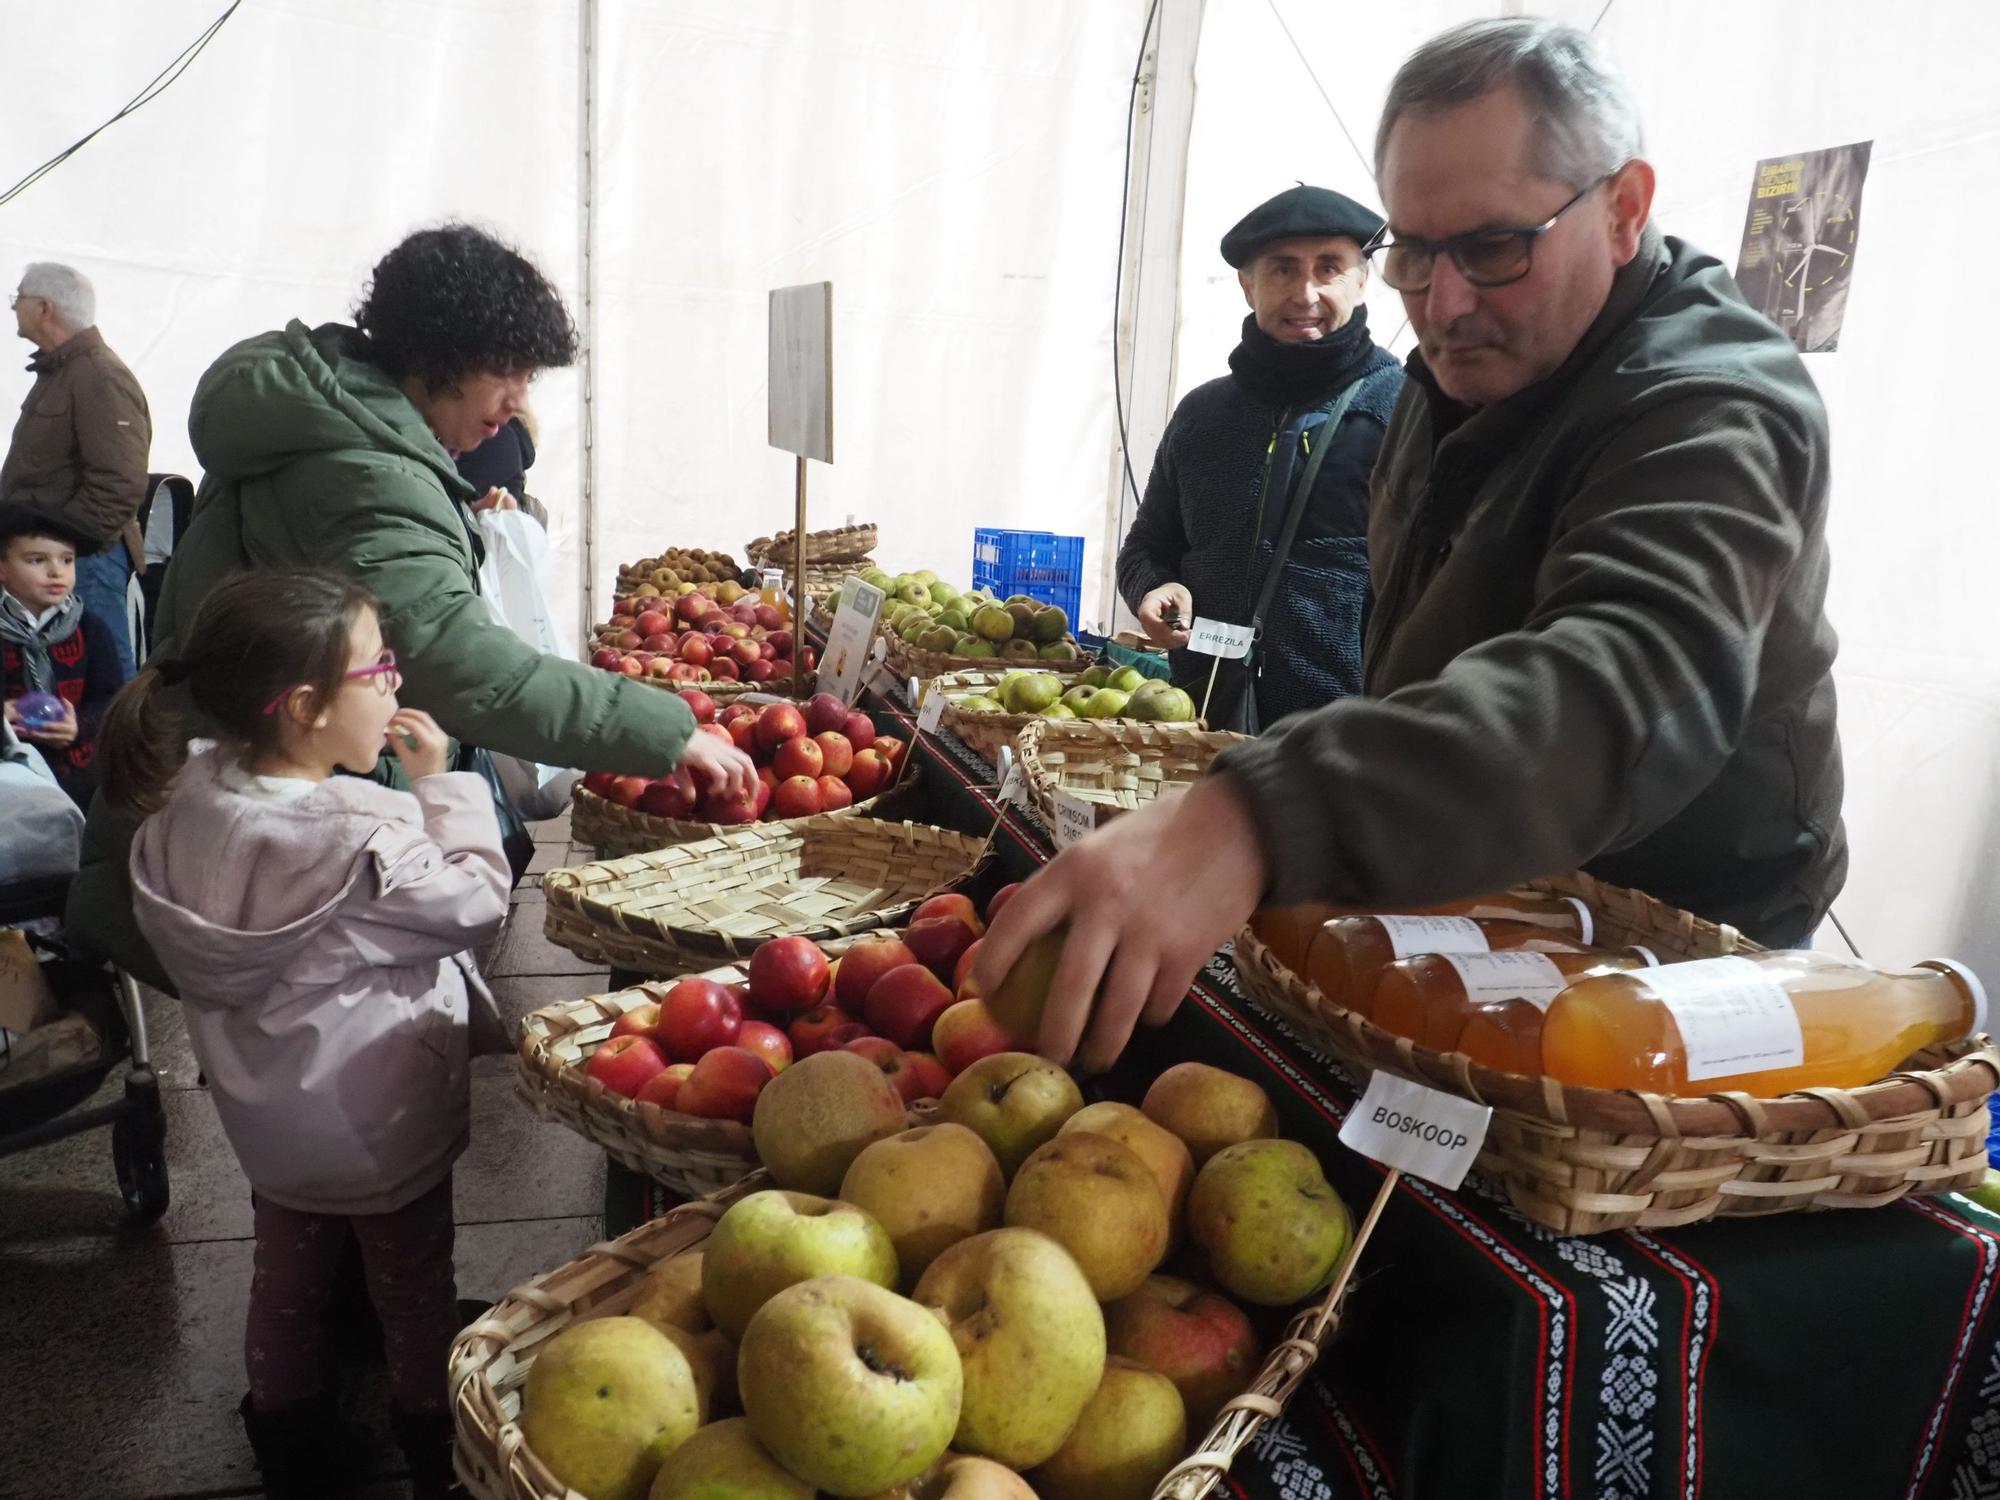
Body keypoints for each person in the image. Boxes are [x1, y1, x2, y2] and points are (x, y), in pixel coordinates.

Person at [977, 18, 1845, 1072]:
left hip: (1682, 933)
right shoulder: (1462, 365)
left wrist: (1259, 817)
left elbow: (1621, 684)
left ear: (1622, 209)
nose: (1442, 304)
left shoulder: (1712, 405)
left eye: (1492, 247)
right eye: (1414, 254)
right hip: (1474, 871)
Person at [68, 223, 753, 982]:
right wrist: (664, 730)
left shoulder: (318, 412)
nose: (517, 403)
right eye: (506, 373)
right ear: (440, 356)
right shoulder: (367, 474)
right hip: (279, 837)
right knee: (311, 1031)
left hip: (231, 797)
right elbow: (459, 664)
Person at [101, 568, 507, 1499]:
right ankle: (434, 1443)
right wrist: (443, 787)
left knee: (285, 1279)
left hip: (271, 1125)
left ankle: (286, 1436)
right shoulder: (364, 840)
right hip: (378, 1125)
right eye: (378, 668)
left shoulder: (185, 802)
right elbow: (476, 902)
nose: (395, 685)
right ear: (306, 707)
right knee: (414, 1285)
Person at [1117, 185, 1404, 727]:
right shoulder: (1203, 415)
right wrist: (1152, 587)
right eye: (1283, 269)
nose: (1306, 293)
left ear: (1363, 280)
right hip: (1201, 721)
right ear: (1248, 285)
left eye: (1329, 268)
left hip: (1346, 739)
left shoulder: (1403, 411)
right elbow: (1145, 545)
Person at [4, 262, 152, 680]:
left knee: (104, 677)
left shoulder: (99, 376)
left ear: (44, 308)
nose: (13, 308)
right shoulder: (65, 372)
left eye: (18, 299)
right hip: (63, 559)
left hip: (89, 562)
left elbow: (119, 483)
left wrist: (65, 550)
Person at [0, 505, 121, 807]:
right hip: (10, 781)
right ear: (2, 568)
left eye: (67, 560)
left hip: (77, 780)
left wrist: (78, 724)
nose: (56, 571)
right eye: (37, 560)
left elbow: (111, 698)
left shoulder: (90, 629)